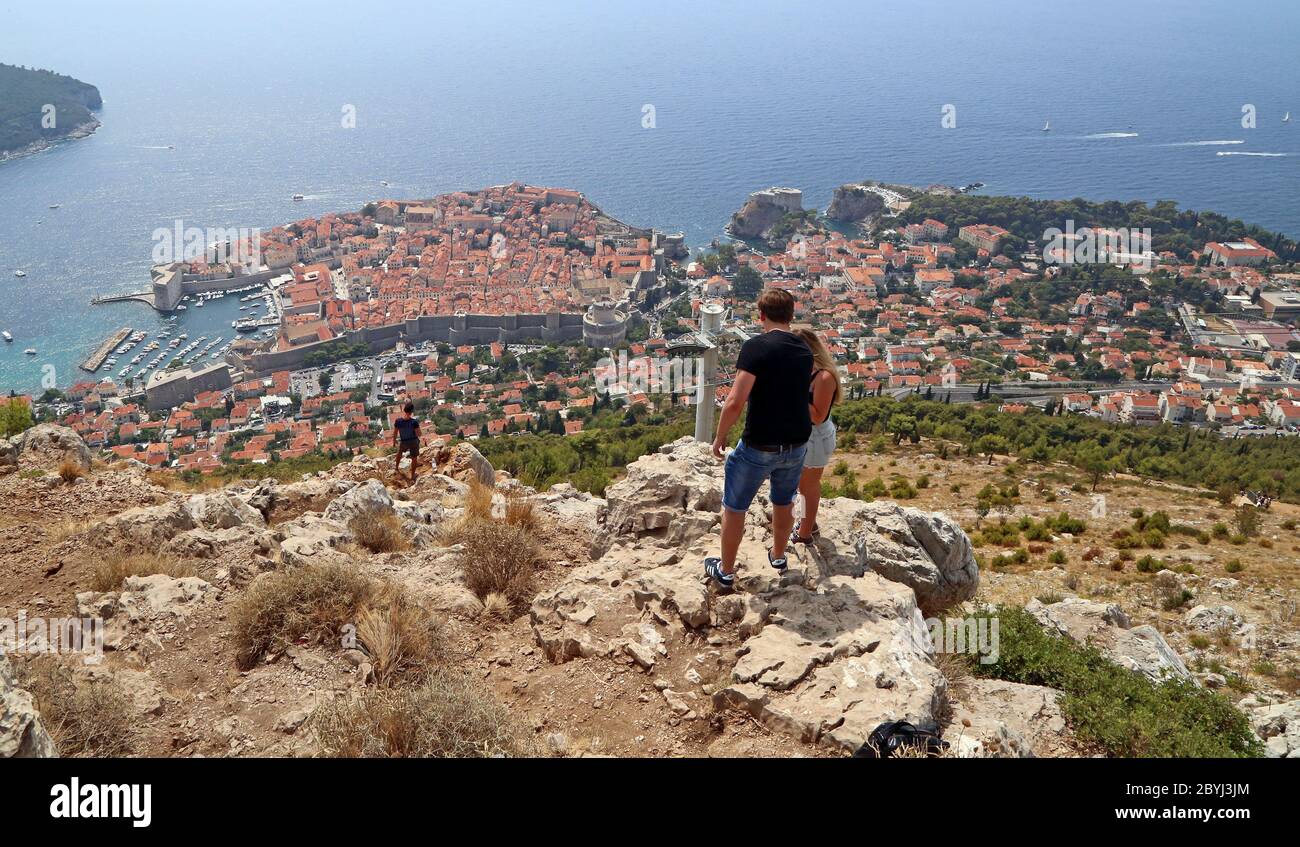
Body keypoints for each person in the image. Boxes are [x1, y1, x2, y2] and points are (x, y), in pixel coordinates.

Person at [705, 289, 812, 591]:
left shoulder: (756, 348)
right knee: (783, 501)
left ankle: (725, 571)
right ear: (791, 315)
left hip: (760, 443)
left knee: (735, 507)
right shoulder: (804, 349)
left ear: (761, 315)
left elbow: (736, 401)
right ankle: (778, 556)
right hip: (796, 443)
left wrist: (720, 436)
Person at [790, 328, 841, 544]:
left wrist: (792, 393)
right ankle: (808, 522)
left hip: (816, 437)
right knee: (803, 485)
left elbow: (818, 416)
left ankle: (805, 533)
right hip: (804, 435)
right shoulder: (803, 371)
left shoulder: (824, 377)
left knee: (807, 487)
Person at [392, 402, 422, 484]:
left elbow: (395, 433)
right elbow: (419, 434)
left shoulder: (398, 421)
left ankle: (396, 468)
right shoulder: (414, 422)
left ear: (404, 410)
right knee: (414, 458)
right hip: (413, 441)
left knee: (399, 452)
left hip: (404, 441)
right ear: (412, 411)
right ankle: (412, 476)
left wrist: (394, 442)